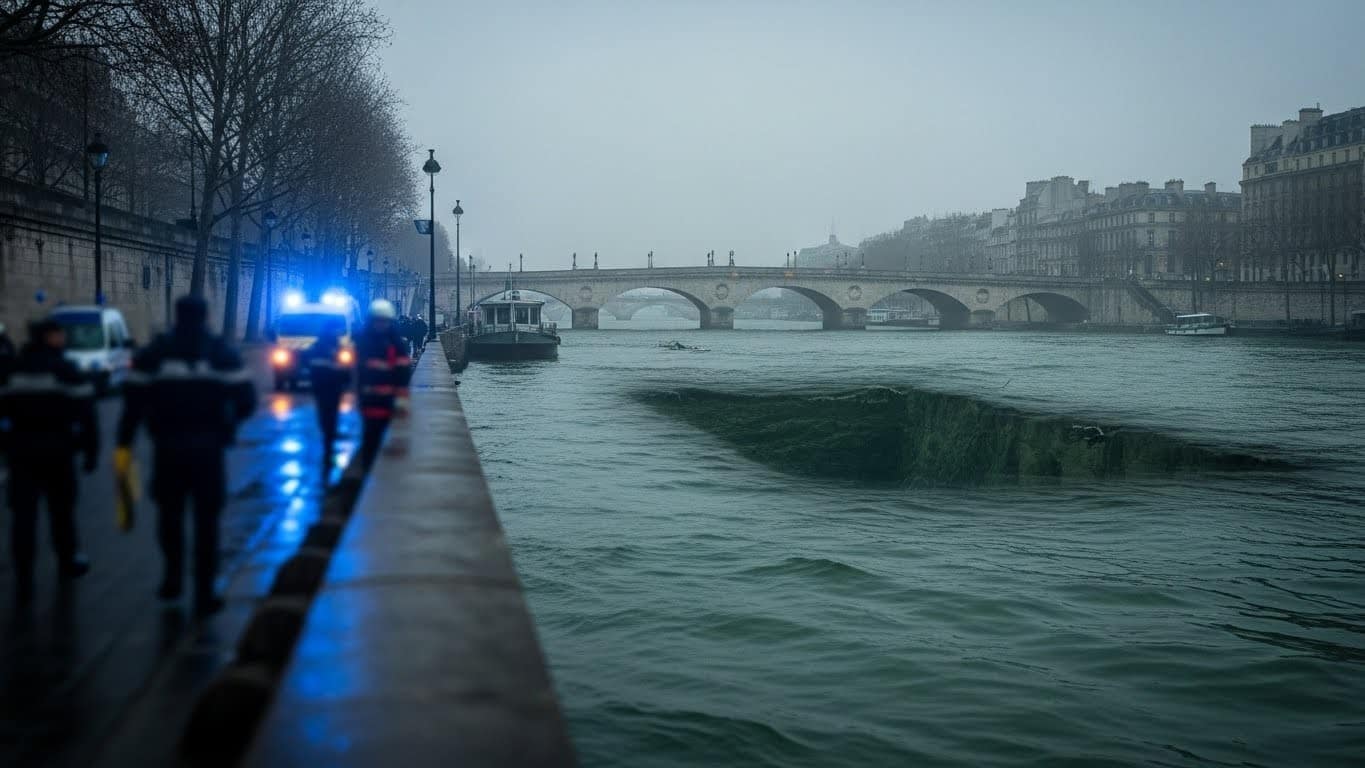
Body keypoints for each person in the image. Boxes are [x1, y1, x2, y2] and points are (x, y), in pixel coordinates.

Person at [116, 296, 256, 615]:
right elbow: (246, 400)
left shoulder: (154, 354)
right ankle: (205, 591)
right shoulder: (221, 354)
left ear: (175, 316)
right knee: (207, 522)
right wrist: (227, 426)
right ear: (206, 316)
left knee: (170, 516)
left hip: (168, 448)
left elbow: (133, 404)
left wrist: (124, 443)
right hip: (209, 451)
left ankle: (172, 577)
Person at [0, 319, 98, 605]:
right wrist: (90, 450)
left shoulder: (11, 370)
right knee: (62, 512)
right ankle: (68, 560)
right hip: (58, 453)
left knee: (23, 518)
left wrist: (6, 443)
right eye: (59, 334)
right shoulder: (65, 370)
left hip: (21, 454)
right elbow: (86, 414)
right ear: (50, 337)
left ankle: (24, 576)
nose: (63, 338)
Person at [355, 299, 411, 470]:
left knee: (382, 437)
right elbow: (356, 372)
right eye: (378, 321)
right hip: (368, 400)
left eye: (384, 321)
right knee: (369, 438)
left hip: (388, 400)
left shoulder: (395, 344)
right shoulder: (363, 342)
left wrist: (401, 398)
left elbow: (403, 373)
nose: (381, 324)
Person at [305, 320, 352, 481]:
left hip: (325, 388)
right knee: (329, 415)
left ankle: (328, 439)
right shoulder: (330, 346)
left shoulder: (322, 345)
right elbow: (341, 368)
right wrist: (343, 378)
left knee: (327, 415)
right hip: (329, 387)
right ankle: (328, 440)